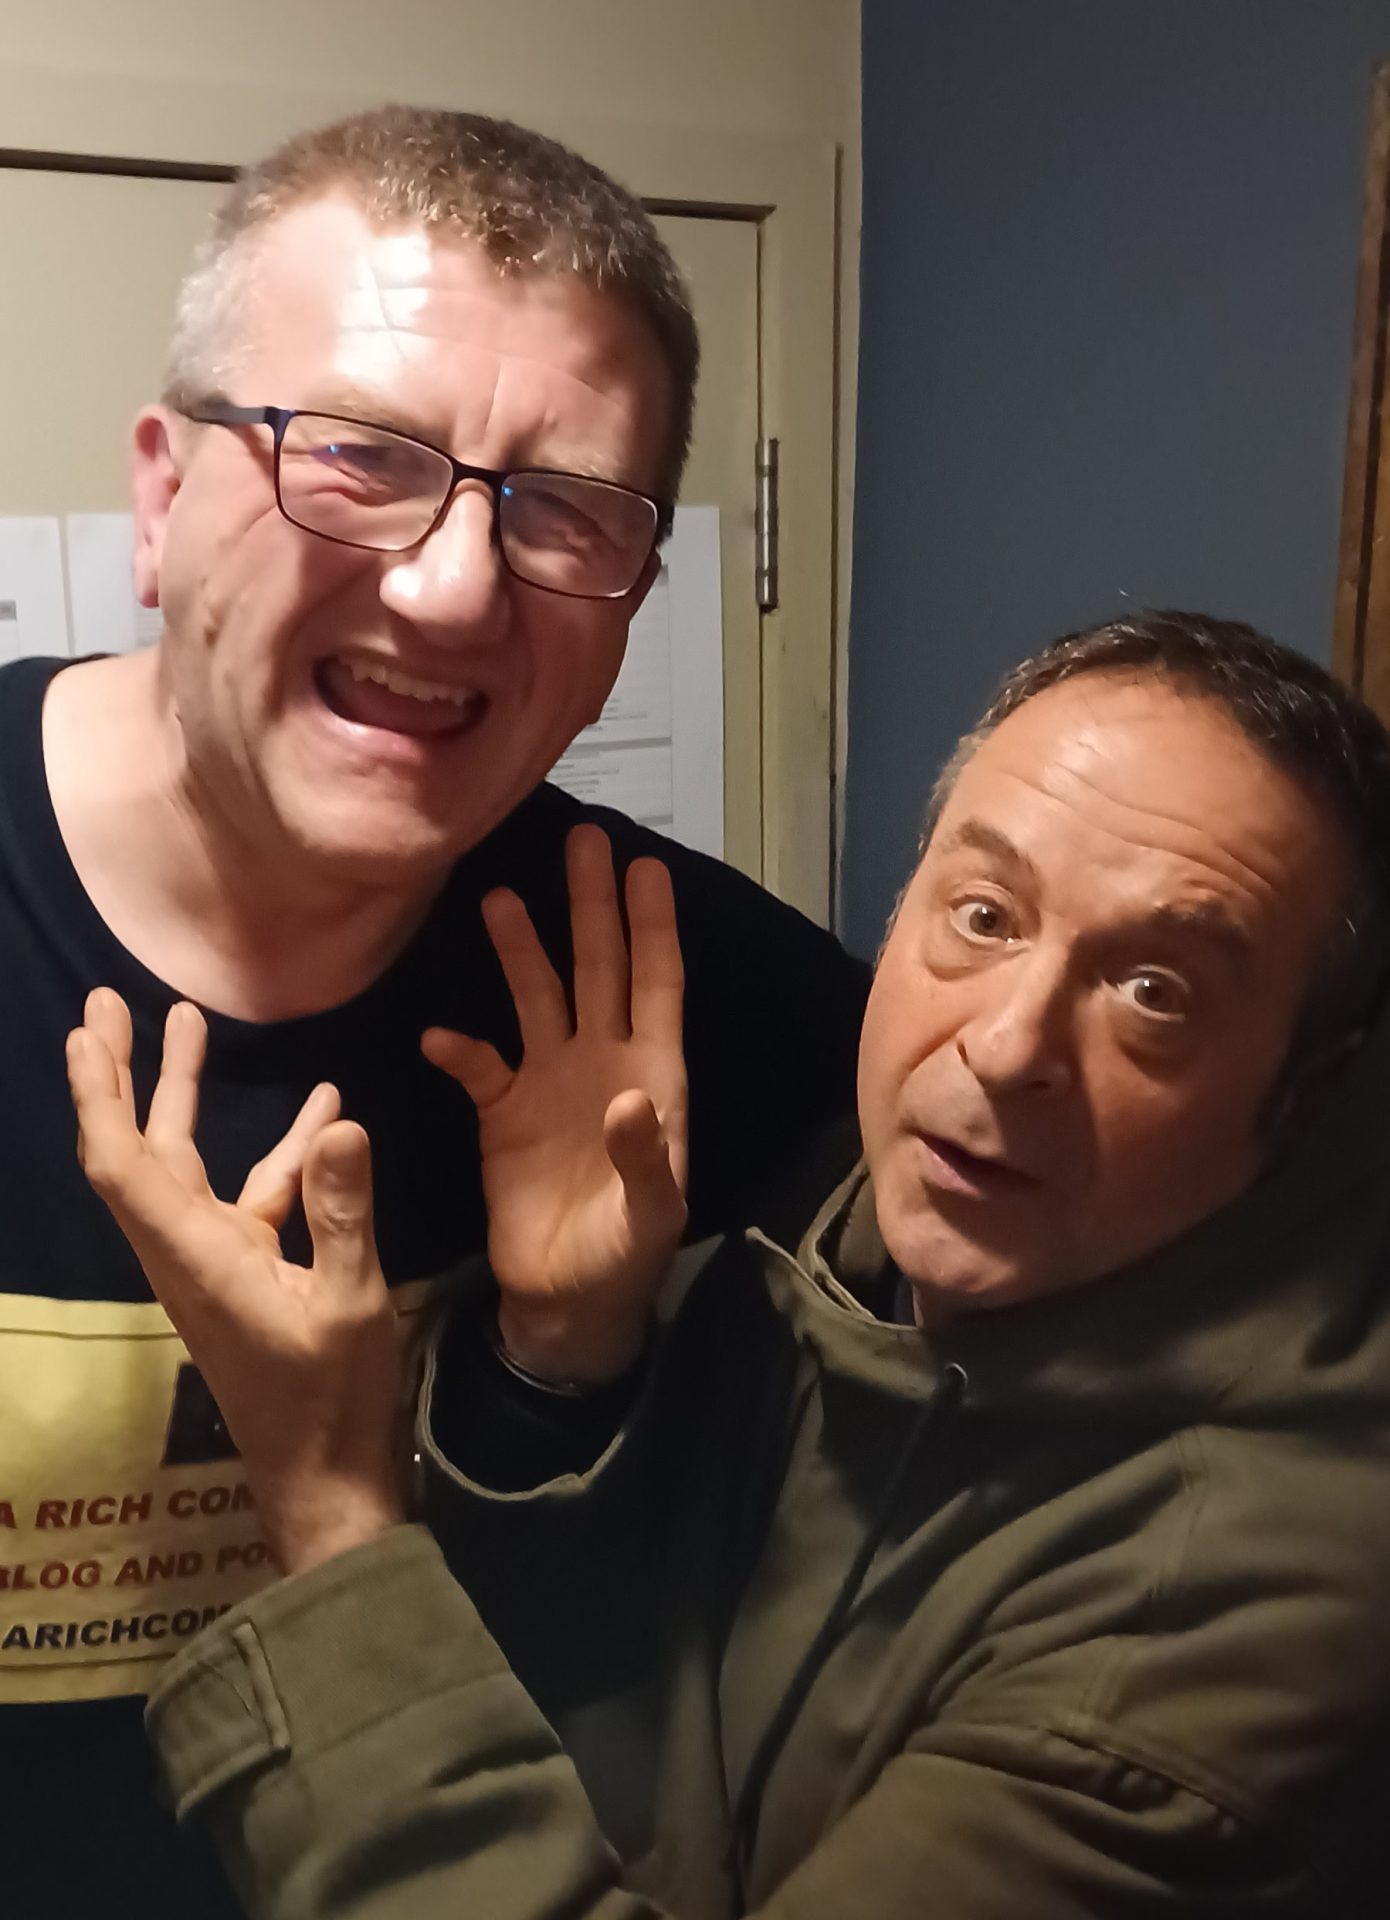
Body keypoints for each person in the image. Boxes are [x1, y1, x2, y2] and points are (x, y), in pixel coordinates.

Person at [69, 611, 1390, 1918]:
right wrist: (559, 1354)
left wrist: (333, 1511)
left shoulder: (1251, 1619)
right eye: (984, 914)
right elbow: (626, 1707)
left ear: (1298, 1092)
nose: (1004, 1046)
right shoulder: (837, 1220)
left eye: (1154, 991)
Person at [0, 105, 867, 1918]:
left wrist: (560, 1361)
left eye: (566, 511)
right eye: (357, 458)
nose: (455, 584)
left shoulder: (677, 994)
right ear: (162, 495)